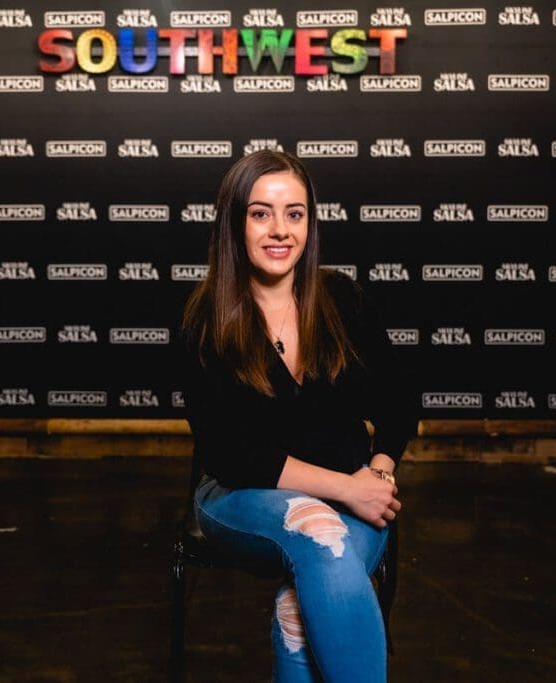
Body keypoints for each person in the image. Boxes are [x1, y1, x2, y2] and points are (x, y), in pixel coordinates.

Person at [180, 149, 417, 682]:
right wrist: (346, 489)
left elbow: (400, 401)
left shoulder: (342, 299)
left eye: (295, 213)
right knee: (317, 527)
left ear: (310, 222)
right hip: (241, 500)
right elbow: (232, 455)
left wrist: (377, 473)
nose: (279, 230)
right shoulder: (204, 320)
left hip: (358, 492)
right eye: (261, 213)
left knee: (298, 605)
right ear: (234, 222)